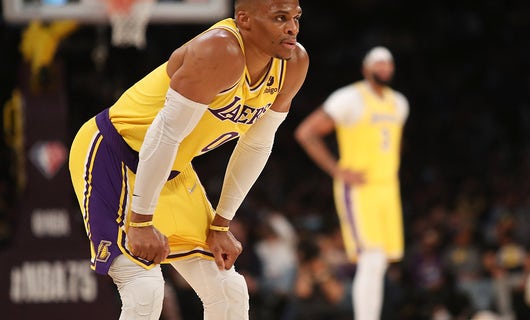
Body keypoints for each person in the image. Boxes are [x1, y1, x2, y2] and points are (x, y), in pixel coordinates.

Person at [67, 0, 308, 318]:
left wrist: (221, 224)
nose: (292, 27)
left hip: (171, 168)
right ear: (244, 19)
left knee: (229, 290)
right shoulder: (218, 50)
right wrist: (141, 220)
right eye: (280, 18)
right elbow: (163, 135)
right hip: (114, 154)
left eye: (295, 17)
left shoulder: (293, 62)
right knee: (145, 287)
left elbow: (257, 145)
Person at [294, 46, 408, 320]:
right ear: (365, 69)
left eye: (387, 64)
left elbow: (393, 142)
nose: (383, 68)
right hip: (359, 188)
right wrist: (337, 171)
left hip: (388, 188)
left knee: (381, 261)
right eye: (378, 64)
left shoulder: (400, 103)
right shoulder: (349, 98)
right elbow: (306, 132)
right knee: (371, 258)